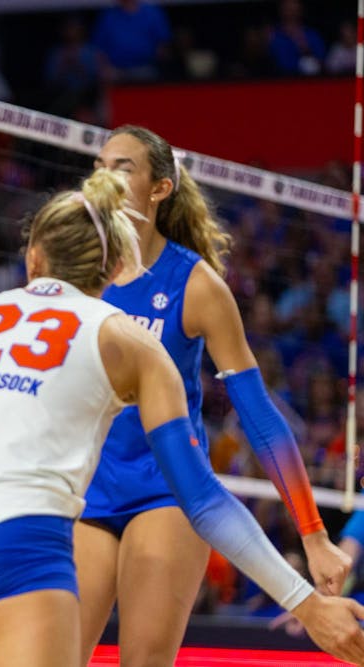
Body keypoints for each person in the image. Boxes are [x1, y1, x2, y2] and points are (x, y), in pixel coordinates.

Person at [0, 168, 364, 667]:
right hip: (9, 539)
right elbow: (202, 499)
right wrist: (306, 604)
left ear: (33, 256)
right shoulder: (130, 340)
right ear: (114, 269)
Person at [77, 124, 351, 667]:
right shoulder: (77, 274)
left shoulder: (196, 284)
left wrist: (314, 535)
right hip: (86, 490)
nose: (105, 177)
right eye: (100, 164)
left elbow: (259, 416)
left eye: (123, 166)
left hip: (169, 492)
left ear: (160, 188)